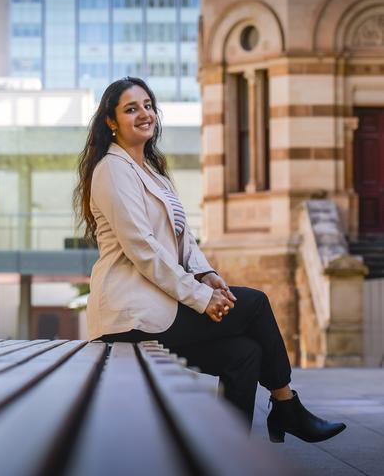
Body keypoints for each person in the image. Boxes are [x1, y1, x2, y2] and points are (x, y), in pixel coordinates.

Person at [73, 76, 346, 442]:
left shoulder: (152, 172)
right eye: (131, 108)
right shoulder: (112, 169)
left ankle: (229, 454)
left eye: (148, 105)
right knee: (254, 304)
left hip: (159, 305)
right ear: (111, 121)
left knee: (245, 354)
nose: (144, 114)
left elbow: (184, 241)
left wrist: (207, 275)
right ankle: (286, 405)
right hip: (130, 313)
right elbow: (143, 249)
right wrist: (201, 299)